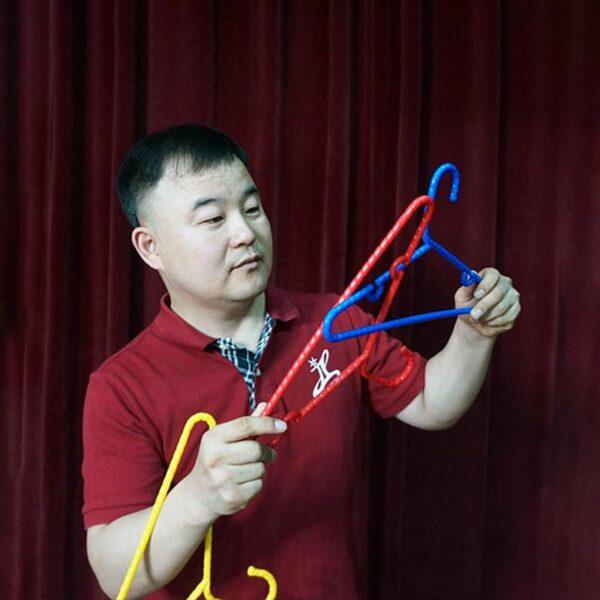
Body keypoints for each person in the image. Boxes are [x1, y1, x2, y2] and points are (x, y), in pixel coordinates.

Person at [82, 124, 521, 599]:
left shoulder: (334, 322)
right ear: (151, 247)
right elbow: (116, 575)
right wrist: (197, 498)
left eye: (252, 209)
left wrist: (475, 334)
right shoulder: (121, 386)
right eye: (212, 219)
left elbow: (432, 402)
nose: (244, 233)